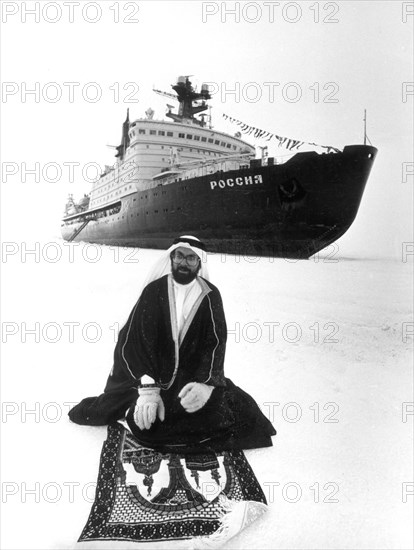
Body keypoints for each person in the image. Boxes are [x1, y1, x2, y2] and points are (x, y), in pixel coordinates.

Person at [68, 235, 276, 453]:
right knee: (150, 423)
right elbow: (135, 345)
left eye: (191, 258)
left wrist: (204, 385)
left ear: (199, 263)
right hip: (150, 378)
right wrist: (148, 391)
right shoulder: (154, 291)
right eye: (179, 256)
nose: (184, 263)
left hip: (190, 378)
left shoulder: (210, 295)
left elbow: (214, 344)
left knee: (239, 411)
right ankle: (135, 409)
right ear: (172, 257)